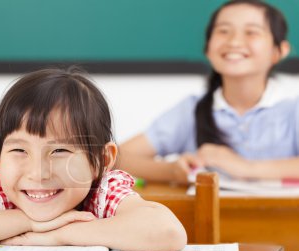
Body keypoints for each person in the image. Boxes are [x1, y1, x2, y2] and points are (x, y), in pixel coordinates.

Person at [0, 67, 187, 251]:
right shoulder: (2, 195)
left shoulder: (101, 191)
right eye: (19, 151)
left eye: (60, 151)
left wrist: (59, 235)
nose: (37, 172)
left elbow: (167, 232)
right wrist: (30, 223)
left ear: (101, 160)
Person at [118, 0, 297, 184]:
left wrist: (244, 167)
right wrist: (170, 170)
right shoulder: (191, 110)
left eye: (251, 32)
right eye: (223, 31)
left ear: (279, 51)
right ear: (208, 49)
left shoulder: (292, 110)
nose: (234, 41)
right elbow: (115, 158)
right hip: (210, 213)